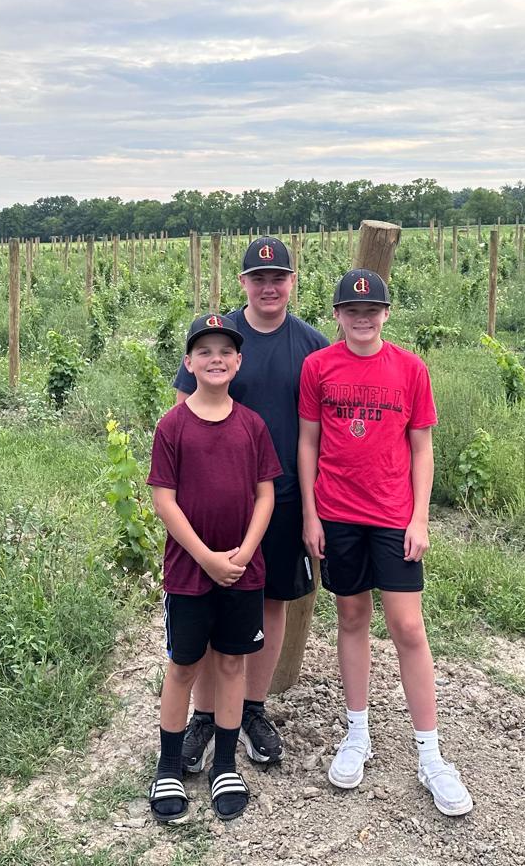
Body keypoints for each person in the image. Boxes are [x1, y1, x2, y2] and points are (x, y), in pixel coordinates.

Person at [297, 268, 474, 817]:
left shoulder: (410, 369)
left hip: (394, 518)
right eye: (352, 310)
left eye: (372, 309)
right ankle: (358, 734)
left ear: (387, 314)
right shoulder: (318, 367)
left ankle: (431, 754)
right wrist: (310, 514)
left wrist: (419, 518)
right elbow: (308, 444)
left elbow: (422, 449)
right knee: (351, 619)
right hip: (338, 515)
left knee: (407, 627)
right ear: (337, 316)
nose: (362, 317)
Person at [173, 236, 329, 772]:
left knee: (271, 603)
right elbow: (182, 419)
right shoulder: (220, 339)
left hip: (280, 501)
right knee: (210, 604)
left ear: (292, 282)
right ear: (243, 284)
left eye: (278, 277)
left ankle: (253, 709)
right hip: (216, 506)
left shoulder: (312, 345)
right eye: (258, 278)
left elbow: (323, 433)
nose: (269, 286)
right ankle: (203, 715)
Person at [147, 313, 281, 823]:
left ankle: (226, 763)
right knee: (183, 666)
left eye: (225, 351)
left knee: (231, 664)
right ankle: (168, 766)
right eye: (204, 351)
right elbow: (165, 499)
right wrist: (205, 556)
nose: (216, 359)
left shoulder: (252, 426)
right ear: (189, 363)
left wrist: (245, 552)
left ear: (238, 362)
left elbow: (266, 493)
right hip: (188, 571)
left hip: (244, 571)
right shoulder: (172, 426)